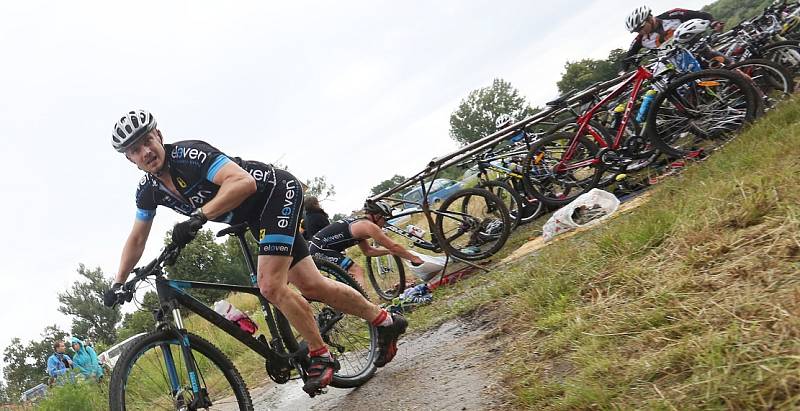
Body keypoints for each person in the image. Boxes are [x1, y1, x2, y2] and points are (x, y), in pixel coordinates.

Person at [102, 110, 407, 396]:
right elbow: (138, 237)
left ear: (158, 134)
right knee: (312, 285)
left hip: (275, 193)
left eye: (147, 141)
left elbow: (243, 182)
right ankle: (384, 321)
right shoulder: (148, 190)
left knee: (270, 285)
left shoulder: (190, 155)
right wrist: (120, 281)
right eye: (135, 150)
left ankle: (320, 355)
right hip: (254, 217)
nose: (145, 152)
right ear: (130, 159)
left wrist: (199, 216)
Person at [309, 200, 424, 287]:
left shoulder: (361, 224)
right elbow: (393, 246)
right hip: (319, 249)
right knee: (356, 270)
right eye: (385, 218)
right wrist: (414, 258)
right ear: (377, 216)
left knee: (348, 276)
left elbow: (368, 251)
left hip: (321, 247)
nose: (385, 222)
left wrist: (389, 252)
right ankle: (366, 306)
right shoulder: (368, 226)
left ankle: (344, 304)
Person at [623, 6, 724, 63]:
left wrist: (713, 23)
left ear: (650, 19)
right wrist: (622, 73)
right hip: (678, 63)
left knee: (723, 63)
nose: (640, 32)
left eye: (641, 27)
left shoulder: (673, 14)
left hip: (697, 48)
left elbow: (702, 15)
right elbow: (628, 57)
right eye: (636, 31)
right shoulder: (641, 39)